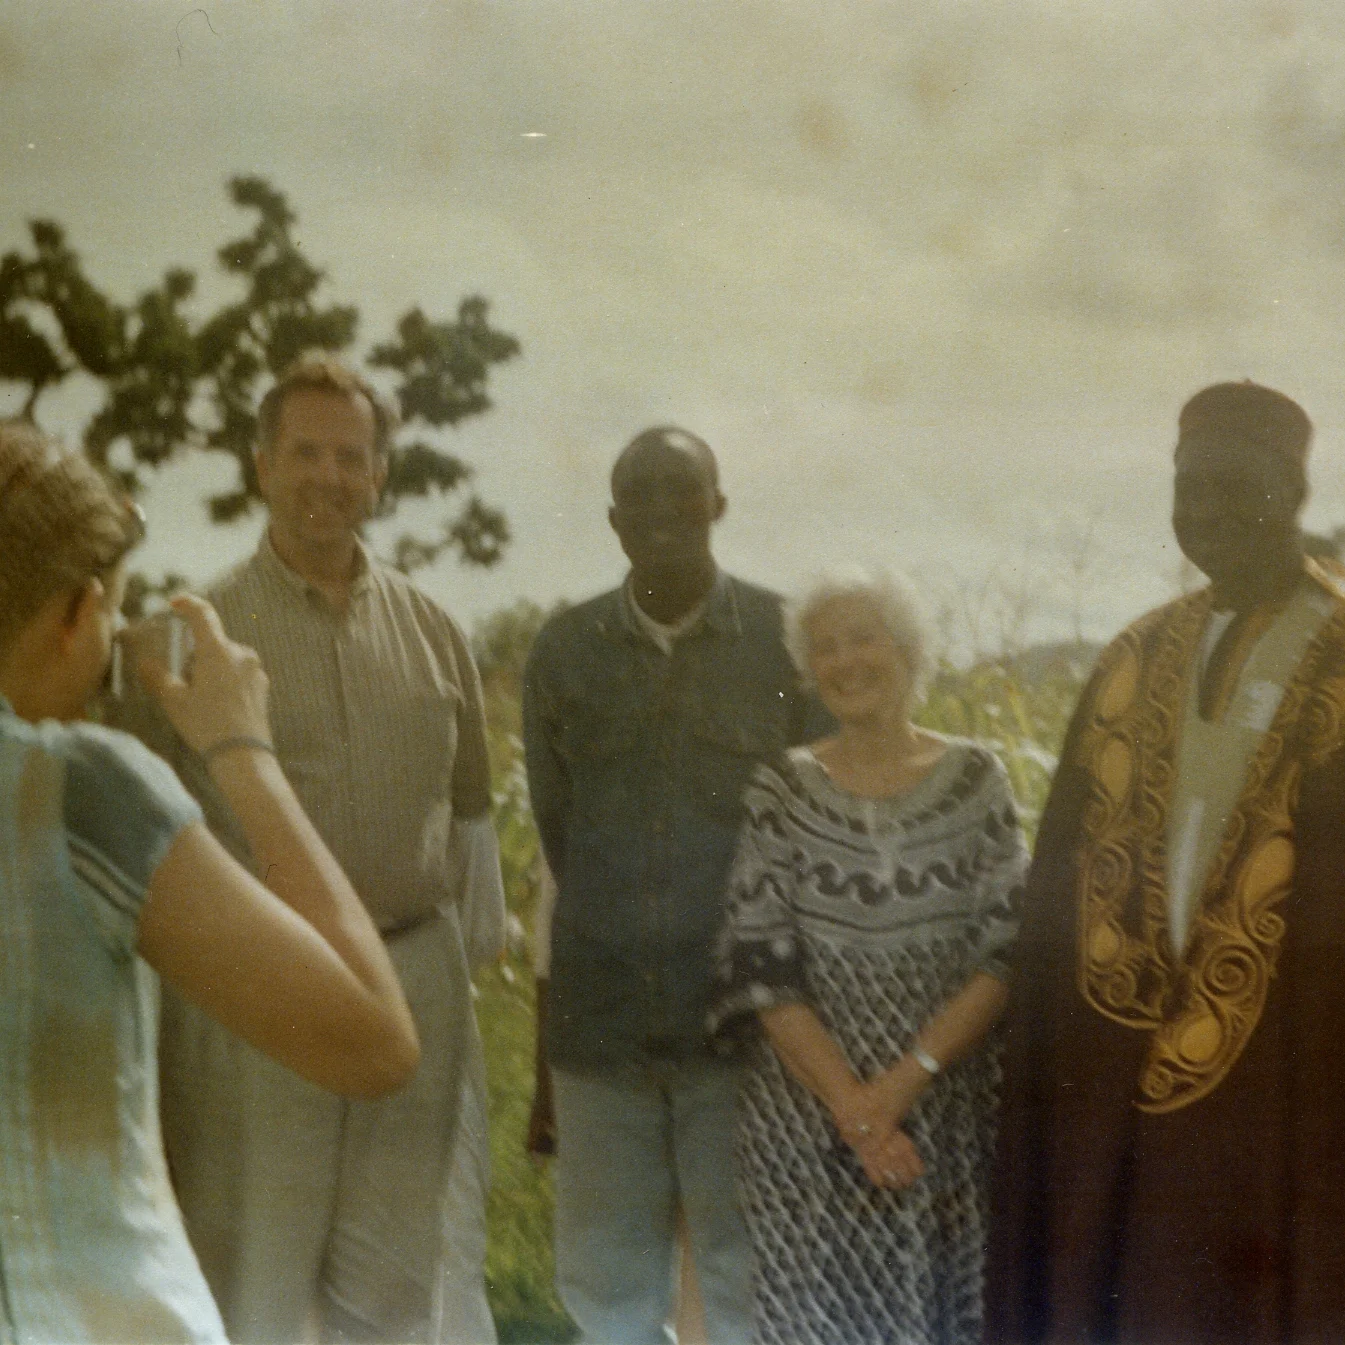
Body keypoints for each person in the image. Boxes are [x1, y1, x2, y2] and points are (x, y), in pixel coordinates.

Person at [110, 357, 504, 1344]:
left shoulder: (435, 631)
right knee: (253, 1286)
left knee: (393, 1293)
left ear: (379, 477)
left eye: (351, 457)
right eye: (305, 453)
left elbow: (464, 825)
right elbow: (129, 825)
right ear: (261, 467)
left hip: (413, 976)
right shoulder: (180, 636)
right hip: (256, 988)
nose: (327, 475)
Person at [0, 421, 420, 1344]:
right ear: (75, 613)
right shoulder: (78, 788)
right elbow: (373, 1040)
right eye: (109, 610)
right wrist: (243, 751)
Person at [985, 381, 1345, 1344]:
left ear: (1298, 489)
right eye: (1190, 491)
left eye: (1239, 487)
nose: (1210, 514)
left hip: (1295, 1065)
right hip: (1125, 1055)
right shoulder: (1130, 658)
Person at [522, 426, 826, 1345]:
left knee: (743, 1281)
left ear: (718, 505)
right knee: (607, 1291)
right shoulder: (563, 651)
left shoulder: (784, 643)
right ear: (613, 521)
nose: (660, 512)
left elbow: (819, 839)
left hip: (743, 1033)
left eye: (680, 490)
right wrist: (543, 1061)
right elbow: (557, 846)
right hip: (600, 1029)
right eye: (638, 496)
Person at [708, 567, 1026, 1345]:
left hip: (943, 1120)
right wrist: (855, 1106)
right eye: (825, 648)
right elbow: (762, 970)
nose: (846, 661)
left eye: (864, 638)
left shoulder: (977, 777)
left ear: (909, 651)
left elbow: (1009, 954)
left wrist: (900, 1086)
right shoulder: (780, 788)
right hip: (806, 1126)